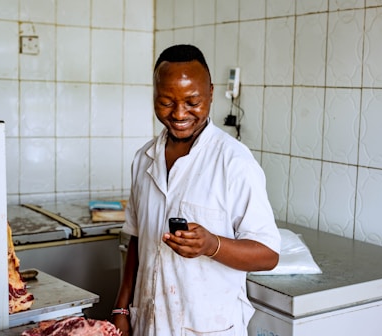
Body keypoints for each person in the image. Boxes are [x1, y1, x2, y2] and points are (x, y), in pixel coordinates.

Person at [112, 44, 281, 336]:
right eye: (166, 102)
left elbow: (268, 254)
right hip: (148, 323)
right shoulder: (144, 159)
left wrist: (212, 245)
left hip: (206, 326)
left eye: (193, 101)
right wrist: (121, 308)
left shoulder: (234, 162)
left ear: (211, 93)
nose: (179, 113)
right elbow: (138, 241)